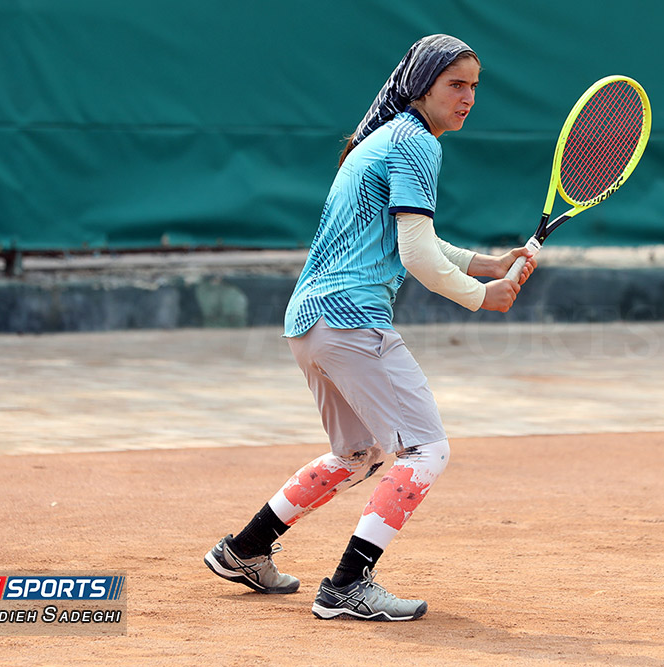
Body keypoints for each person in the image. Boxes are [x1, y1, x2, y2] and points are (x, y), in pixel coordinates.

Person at [204, 34, 536, 622]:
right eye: (456, 85)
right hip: (352, 321)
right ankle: (348, 586)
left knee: (358, 452)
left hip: (308, 322)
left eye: (474, 88)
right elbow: (416, 256)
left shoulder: (382, 139)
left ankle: (246, 548)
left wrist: (485, 263)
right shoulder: (416, 144)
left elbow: (415, 242)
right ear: (422, 86)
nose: (468, 98)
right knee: (426, 448)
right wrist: (481, 297)